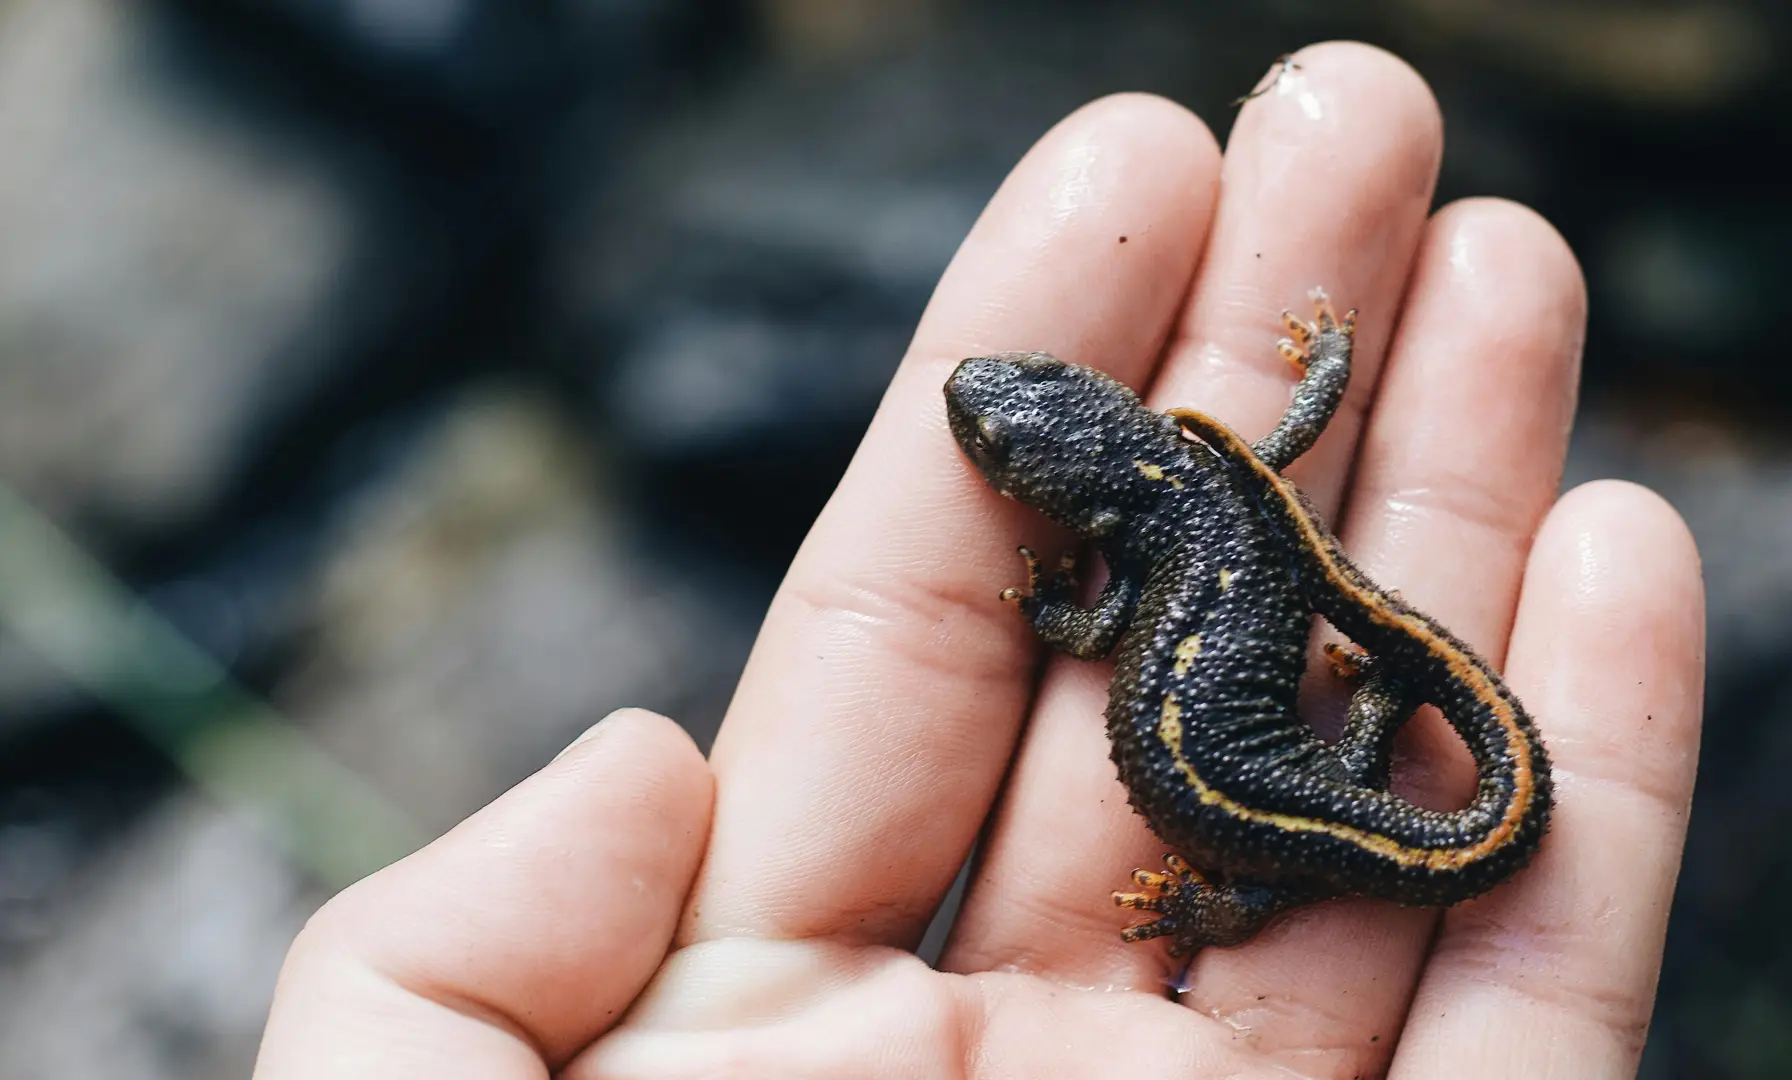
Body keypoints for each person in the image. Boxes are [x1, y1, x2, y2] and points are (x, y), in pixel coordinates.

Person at [252, 43, 1705, 1079]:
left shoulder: (1149, 540)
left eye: (1012, 427)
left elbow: (1094, 640)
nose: (988, 421)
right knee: (1312, 782)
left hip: (1269, 805)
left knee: (1296, 824)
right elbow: (1277, 456)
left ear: (1093, 445)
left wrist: (1081, 630)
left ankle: (1339, 757)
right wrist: (1315, 401)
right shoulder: (1199, 482)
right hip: (1282, 787)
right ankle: (1369, 719)